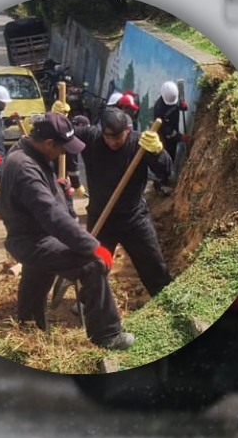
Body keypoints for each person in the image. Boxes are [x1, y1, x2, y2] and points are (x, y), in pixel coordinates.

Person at [0, 112, 134, 349]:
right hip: (32, 239)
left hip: (33, 234)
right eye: (63, 148)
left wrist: (56, 188)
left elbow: (42, 197)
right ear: (49, 143)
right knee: (92, 265)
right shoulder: (25, 168)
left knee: (39, 273)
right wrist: (93, 247)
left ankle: (30, 326)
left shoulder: (28, 151)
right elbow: (51, 216)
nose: (65, 153)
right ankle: (108, 335)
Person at [61, 101, 173, 298]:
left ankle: (164, 299)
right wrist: (60, 120)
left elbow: (165, 172)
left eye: (118, 137)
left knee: (153, 264)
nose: (113, 142)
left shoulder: (139, 144)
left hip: (134, 218)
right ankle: (89, 303)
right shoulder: (91, 137)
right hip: (101, 218)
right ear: (101, 132)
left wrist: (158, 152)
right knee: (95, 266)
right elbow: (64, 136)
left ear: (127, 131)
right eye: (109, 138)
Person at [151, 81, 189, 193]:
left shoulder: (173, 98)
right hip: (164, 137)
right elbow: (166, 130)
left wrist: (183, 107)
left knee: (171, 158)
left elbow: (179, 107)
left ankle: (165, 180)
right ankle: (159, 185)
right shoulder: (159, 109)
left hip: (173, 134)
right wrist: (180, 137)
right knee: (164, 160)